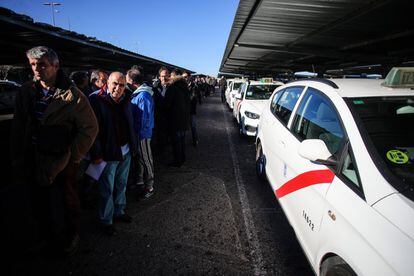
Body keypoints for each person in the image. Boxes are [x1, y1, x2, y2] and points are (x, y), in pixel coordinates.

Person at [11, 46, 98, 255]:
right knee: (38, 199)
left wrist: (73, 156)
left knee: (67, 198)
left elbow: (90, 128)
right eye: (33, 64)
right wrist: (16, 155)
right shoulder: (26, 91)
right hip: (33, 155)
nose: (37, 69)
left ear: (56, 66)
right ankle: (46, 235)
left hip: (60, 158)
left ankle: (71, 235)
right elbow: (18, 126)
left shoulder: (73, 96)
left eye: (42, 64)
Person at [89, 72, 137, 236]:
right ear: (107, 83)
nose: (118, 88)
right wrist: (96, 153)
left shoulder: (127, 98)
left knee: (121, 183)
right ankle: (106, 220)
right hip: (108, 153)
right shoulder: (96, 100)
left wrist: (133, 145)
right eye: (115, 83)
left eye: (122, 85)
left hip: (125, 150)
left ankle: (119, 211)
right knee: (106, 188)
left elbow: (130, 123)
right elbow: (92, 130)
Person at [129, 69, 155, 199]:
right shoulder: (138, 94)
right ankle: (140, 181)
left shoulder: (143, 96)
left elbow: (144, 118)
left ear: (132, 81)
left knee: (146, 159)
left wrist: (139, 134)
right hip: (138, 133)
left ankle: (149, 186)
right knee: (140, 158)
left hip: (142, 134)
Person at [164, 68, 191, 167]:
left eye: (171, 75)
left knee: (176, 142)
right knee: (182, 141)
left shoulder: (172, 87)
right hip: (184, 119)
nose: (169, 77)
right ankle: (182, 158)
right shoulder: (185, 87)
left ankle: (177, 161)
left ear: (174, 76)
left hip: (174, 119)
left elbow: (167, 104)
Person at [152, 66, 170, 153]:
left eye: (166, 75)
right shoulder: (155, 88)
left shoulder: (172, 87)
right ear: (159, 77)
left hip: (169, 114)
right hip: (158, 115)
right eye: (162, 76)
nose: (164, 78)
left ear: (169, 76)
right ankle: (160, 149)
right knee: (159, 133)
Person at [182, 72, 199, 146]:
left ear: (189, 77)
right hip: (183, 111)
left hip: (191, 110)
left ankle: (195, 140)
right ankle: (182, 142)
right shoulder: (182, 86)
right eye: (183, 77)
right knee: (183, 127)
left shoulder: (194, 86)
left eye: (185, 77)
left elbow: (193, 97)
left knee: (193, 126)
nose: (184, 78)